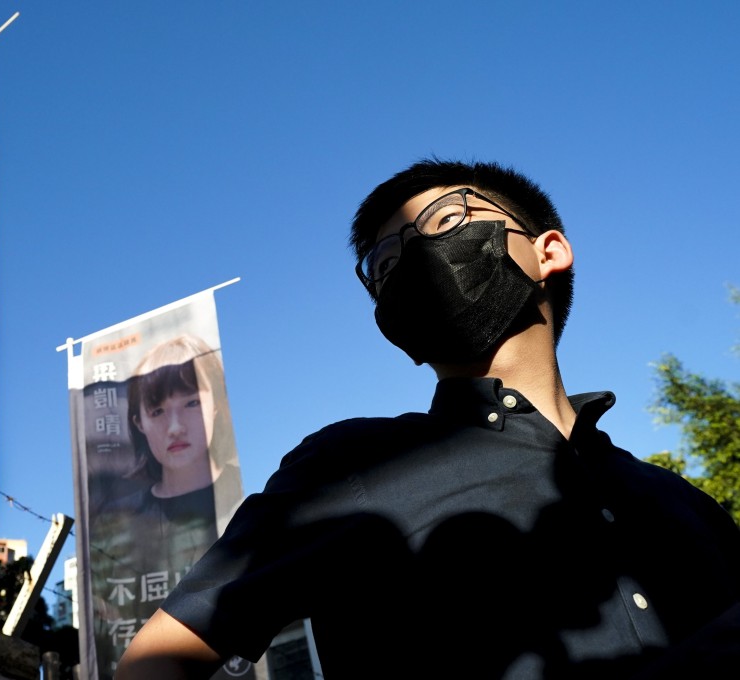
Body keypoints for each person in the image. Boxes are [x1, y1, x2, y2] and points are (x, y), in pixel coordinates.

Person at [115, 159, 740, 679]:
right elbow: (157, 661)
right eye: (384, 265)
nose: (415, 258)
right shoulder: (348, 466)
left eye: (446, 221)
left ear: (550, 250)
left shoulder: (684, 502)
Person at [91, 335, 250, 680]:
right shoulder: (114, 520)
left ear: (216, 405)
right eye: (158, 410)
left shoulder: (248, 507)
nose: (175, 426)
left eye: (191, 403)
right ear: (138, 422)